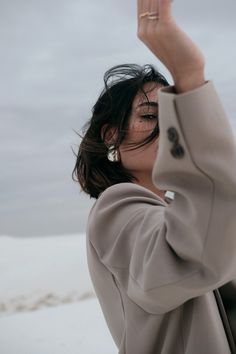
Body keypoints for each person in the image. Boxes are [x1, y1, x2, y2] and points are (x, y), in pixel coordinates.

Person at [72, 0, 236, 353]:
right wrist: (189, 76)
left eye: (171, 116)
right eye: (150, 116)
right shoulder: (116, 209)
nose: (167, 129)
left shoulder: (176, 212)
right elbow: (200, 255)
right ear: (112, 135)